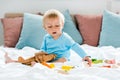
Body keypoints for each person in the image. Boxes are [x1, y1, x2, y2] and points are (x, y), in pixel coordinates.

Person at [5, 9, 92, 66]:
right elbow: (43, 49)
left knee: (63, 60)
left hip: (60, 58)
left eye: (57, 26)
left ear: (62, 25)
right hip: (48, 57)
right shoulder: (46, 37)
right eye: (50, 27)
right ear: (45, 28)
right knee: (33, 58)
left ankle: (45, 64)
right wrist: (41, 55)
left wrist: (85, 55)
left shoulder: (65, 38)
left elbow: (75, 46)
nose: (53, 28)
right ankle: (13, 61)